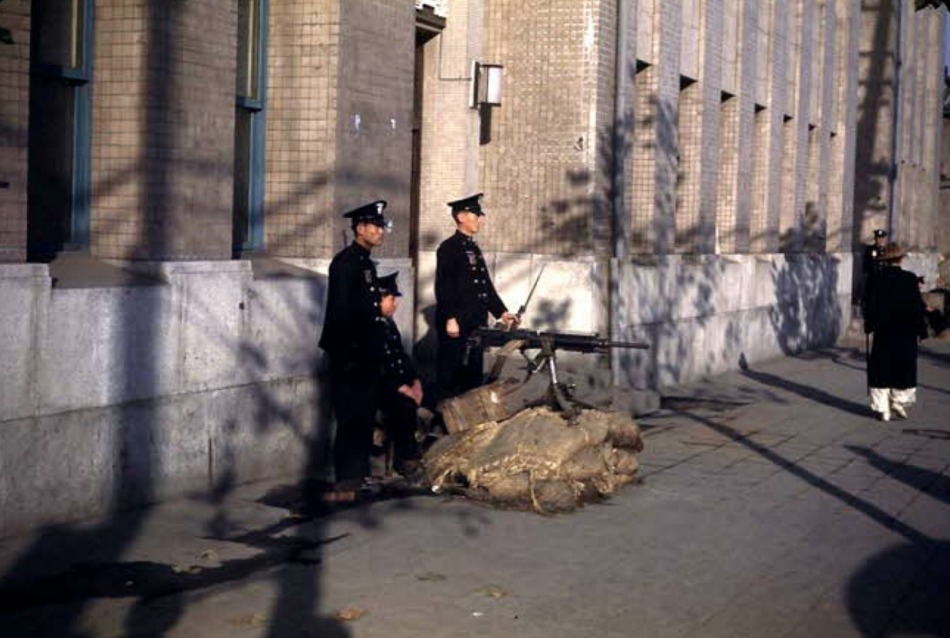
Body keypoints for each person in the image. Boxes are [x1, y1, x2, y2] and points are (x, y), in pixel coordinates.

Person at [318, 200, 390, 501]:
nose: (381, 231)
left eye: (382, 226)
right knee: (349, 418)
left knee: (364, 416)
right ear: (360, 229)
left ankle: (358, 476)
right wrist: (378, 307)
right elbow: (342, 312)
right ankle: (345, 481)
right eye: (376, 226)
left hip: (366, 353)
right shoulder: (346, 263)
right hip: (349, 353)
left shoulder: (365, 263)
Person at [435, 193, 518, 399]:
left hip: (475, 323)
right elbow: (443, 287)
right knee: (450, 375)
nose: (480, 219)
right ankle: (435, 421)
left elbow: (485, 286)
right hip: (457, 324)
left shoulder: (473, 248)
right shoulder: (449, 248)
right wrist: (451, 318)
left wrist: (502, 312)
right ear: (461, 217)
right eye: (475, 215)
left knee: (471, 377)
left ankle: (466, 424)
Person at [863, 243, 928, 422]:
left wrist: (869, 325)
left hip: (883, 330)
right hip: (905, 331)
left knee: (881, 368)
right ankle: (899, 400)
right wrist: (921, 330)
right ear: (901, 259)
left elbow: (869, 304)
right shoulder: (909, 279)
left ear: (886, 260)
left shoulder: (876, 278)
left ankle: (882, 409)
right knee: (903, 365)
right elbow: (916, 306)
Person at [375, 272, 426, 482]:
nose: (395, 304)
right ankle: (407, 461)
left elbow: (401, 357)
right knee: (403, 408)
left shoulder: (389, 323)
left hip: (400, 383)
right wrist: (404, 388)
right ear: (378, 300)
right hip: (382, 387)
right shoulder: (373, 326)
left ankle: (425, 448)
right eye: (391, 299)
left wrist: (416, 382)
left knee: (437, 398)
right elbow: (380, 365)